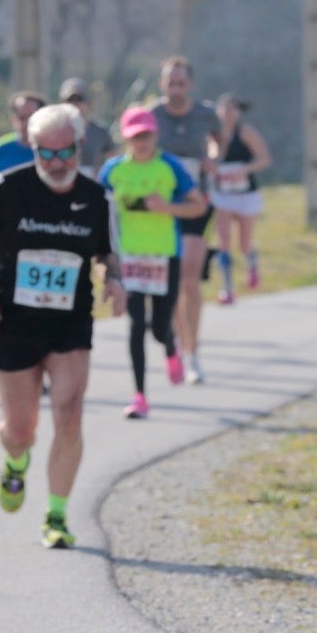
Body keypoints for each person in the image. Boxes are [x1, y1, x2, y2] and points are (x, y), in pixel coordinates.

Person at [0, 103, 125, 549]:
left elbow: (109, 252)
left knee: (70, 413)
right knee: (21, 430)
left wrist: (115, 279)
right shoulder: (8, 188)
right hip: (12, 319)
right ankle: (16, 462)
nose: (55, 163)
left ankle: (57, 515)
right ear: (32, 148)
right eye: (45, 153)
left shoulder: (96, 198)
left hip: (69, 322)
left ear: (79, 146)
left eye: (64, 152)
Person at [99, 106, 208, 420]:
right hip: (128, 258)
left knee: (159, 329)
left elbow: (198, 207)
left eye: (146, 135)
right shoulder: (112, 170)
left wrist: (167, 207)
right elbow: (98, 210)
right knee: (135, 326)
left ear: (155, 135)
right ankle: (140, 396)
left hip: (164, 257)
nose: (141, 142)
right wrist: (106, 259)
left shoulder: (169, 166)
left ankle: (171, 346)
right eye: (135, 137)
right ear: (125, 138)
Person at [151, 57, 222, 384]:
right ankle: (178, 341)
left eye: (181, 83)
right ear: (163, 84)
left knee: (189, 277)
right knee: (171, 279)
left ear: (190, 84)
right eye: (171, 83)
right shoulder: (152, 115)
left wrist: (211, 158)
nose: (176, 89)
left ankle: (193, 352)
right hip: (162, 207)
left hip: (196, 202)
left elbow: (218, 140)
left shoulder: (205, 114)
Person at [210, 93, 273, 302]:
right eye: (224, 109)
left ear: (238, 112)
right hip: (223, 193)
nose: (227, 113)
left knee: (244, 242)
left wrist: (244, 169)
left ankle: (251, 261)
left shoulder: (246, 132)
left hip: (246, 193)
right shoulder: (214, 135)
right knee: (223, 239)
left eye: (232, 109)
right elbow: (211, 161)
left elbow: (264, 159)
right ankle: (227, 288)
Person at [0, 91, 46, 194]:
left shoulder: (56, 149)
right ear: (13, 119)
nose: (28, 123)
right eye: (22, 118)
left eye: (32, 117)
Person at [59, 77, 117, 178]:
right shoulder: (55, 131)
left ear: (88, 103)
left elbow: (113, 160)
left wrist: (101, 172)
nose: (74, 104)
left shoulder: (100, 131)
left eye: (79, 99)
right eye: (70, 100)